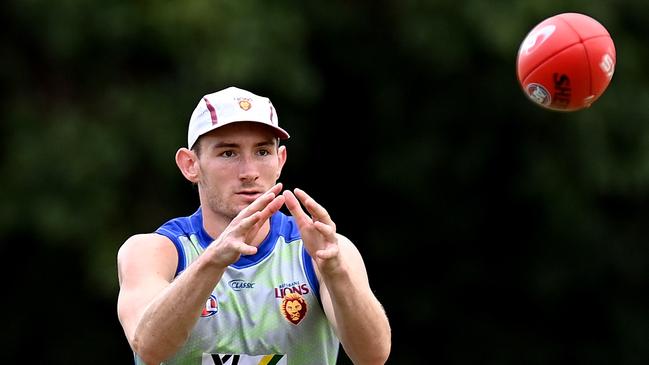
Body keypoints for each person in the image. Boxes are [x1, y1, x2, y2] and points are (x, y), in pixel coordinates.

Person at [116, 86, 391, 365]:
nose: (249, 172)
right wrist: (214, 259)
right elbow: (148, 346)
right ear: (190, 165)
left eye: (262, 152)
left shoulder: (323, 251)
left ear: (280, 160)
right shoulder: (155, 251)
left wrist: (336, 272)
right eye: (228, 153)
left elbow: (373, 356)